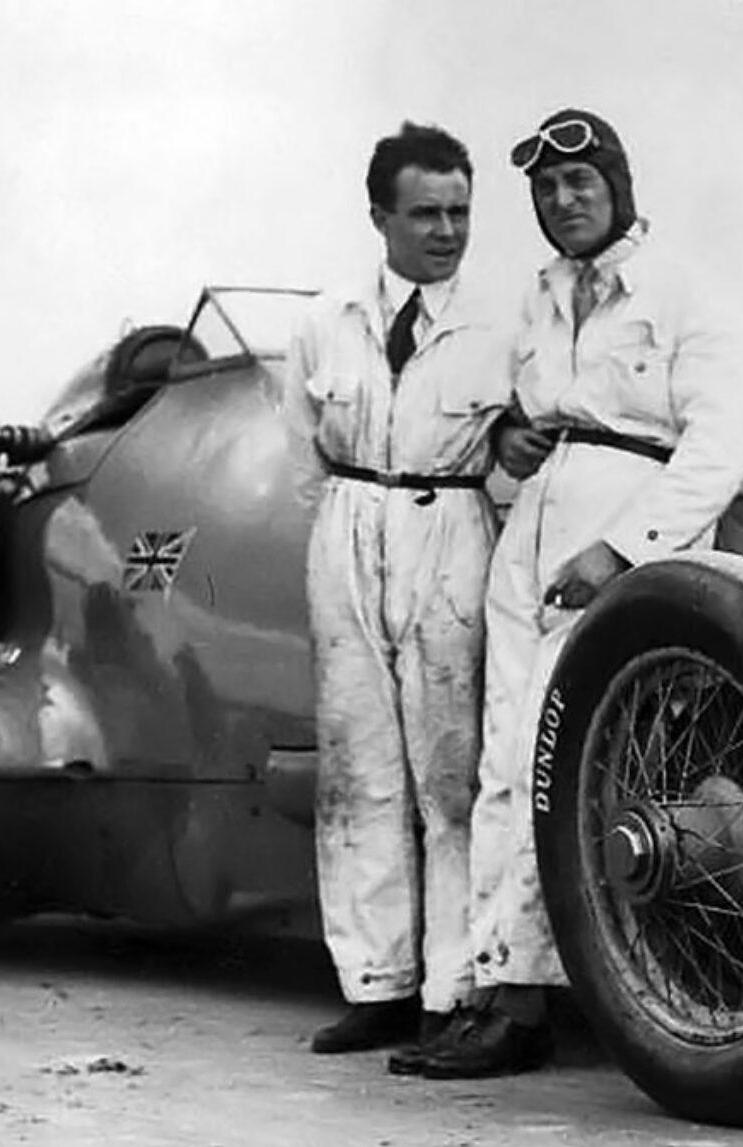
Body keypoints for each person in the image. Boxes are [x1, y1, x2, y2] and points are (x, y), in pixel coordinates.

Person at [415, 108, 743, 1079]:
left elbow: (717, 446)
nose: (563, 201)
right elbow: (509, 409)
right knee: (500, 759)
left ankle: (554, 996)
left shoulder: (684, 293)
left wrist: (623, 549)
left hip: (620, 535)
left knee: (563, 760)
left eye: (580, 183)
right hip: (531, 536)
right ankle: (499, 987)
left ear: (618, 186)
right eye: (546, 189)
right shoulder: (536, 298)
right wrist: (507, 440)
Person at [282, 122, 513, 1071]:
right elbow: (302, 441)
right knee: (359, 765)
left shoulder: (502, 327)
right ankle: (375, 983)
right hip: (348, 526)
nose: (446, 231)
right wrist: (349, 527)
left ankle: (454, 991)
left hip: (450, 527)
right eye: (425, 213)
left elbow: (521, 439)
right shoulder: (325, 321)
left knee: (451, 774)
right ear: (380, 216)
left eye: (460, 212)